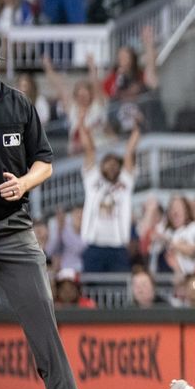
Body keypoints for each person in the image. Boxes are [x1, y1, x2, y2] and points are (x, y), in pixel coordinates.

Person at [0, 27, 92, 389]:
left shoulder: (18, 104)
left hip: (13, 228)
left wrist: (25, 182)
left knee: (41, 312)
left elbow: (44, 161)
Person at [78, 113, 141, 273]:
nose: (112, 166)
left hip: (118, 247)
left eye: (115, 164)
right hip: (93, 245)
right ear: (101, 166)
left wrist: (136, 129)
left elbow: (129, 152)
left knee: (119, 290)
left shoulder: (125, 182)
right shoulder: (92, 180)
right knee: (91, 290)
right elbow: (90, 150)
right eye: (108, 163)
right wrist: (82, 125)